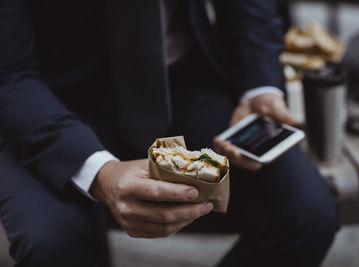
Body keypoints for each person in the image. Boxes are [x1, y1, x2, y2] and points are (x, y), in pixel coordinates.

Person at [0, 0, 339, 266]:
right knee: (55, 244)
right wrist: (99, 173)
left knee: (306, 215)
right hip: (45, 101)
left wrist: (259, 88)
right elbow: (9, 74)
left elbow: (249, 10)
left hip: (180, 83)